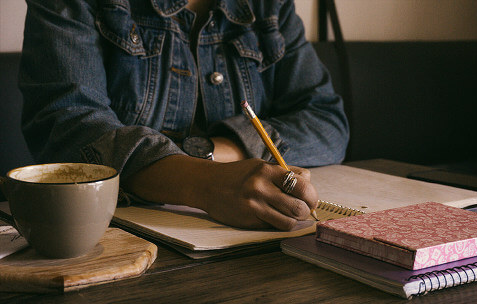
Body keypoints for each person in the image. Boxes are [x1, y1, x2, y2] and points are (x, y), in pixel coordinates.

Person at [19, 0, 349, 231]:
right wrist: (204, 183)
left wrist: (209, 151)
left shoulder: (269, 7)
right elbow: (66, 127)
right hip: (111, 244)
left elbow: (327, 122)